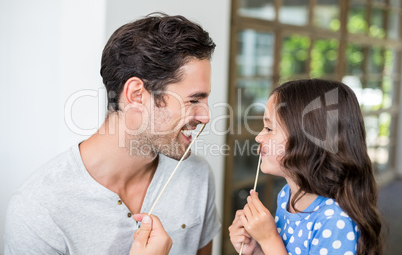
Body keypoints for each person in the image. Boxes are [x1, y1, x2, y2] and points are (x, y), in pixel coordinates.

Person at [5, 13, 221, 254]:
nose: (206, 117)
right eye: (193, 100)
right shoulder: (38, 211)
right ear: (137, 95)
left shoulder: (197, 176)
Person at [229, 79, 383, 255]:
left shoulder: (334, 220)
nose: (258, 137)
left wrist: (269, 239)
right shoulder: (287, 194)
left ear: (309, 140)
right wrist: (256, 249)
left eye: (269, 128)